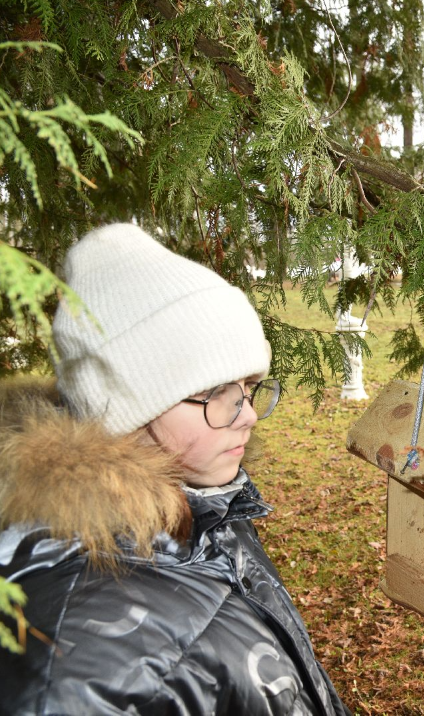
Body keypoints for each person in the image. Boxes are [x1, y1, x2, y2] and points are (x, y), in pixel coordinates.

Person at [0, 224, 351, 715]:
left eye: (249, 386)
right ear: (123, 409)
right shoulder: (84, 664)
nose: (248, 415)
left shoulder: (203, 505)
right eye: (213, 393)